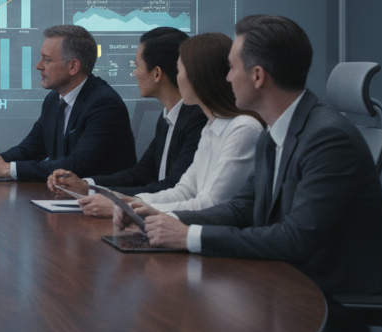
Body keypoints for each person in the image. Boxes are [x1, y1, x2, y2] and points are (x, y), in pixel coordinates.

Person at [138, 15, 382, 332]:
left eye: (231, 68)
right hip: (293, 291)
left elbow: (294, 239)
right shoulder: (278, 129)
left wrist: (189, 235)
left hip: (345, 314)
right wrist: (161, 221)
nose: (226, 78)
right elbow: (241, 207)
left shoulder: (328, 138)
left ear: (257, 76)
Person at [66, 32, 263, 218]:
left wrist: (126, 207)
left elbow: (209, 204)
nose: (177, 77)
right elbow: (184, 191)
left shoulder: (243, 129)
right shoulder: (212, 126)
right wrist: (125, 202)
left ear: (200, 75)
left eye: (181, 70)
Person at [47, 27, 205, 198]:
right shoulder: (167, 117)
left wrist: (93, 192)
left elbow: (172, 187)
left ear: (157, 73)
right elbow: (141, 173)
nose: (134, 73)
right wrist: (86, 184)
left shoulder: (197, 120)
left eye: (137, 66)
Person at [0, 24, 134, 180]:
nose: (38, 66)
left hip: (105, 201)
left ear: (73, 67)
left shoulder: (104, 104)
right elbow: (30, 150)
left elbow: (78, 165)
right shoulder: (53, 99)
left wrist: (7, 169)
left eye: (46, 60)